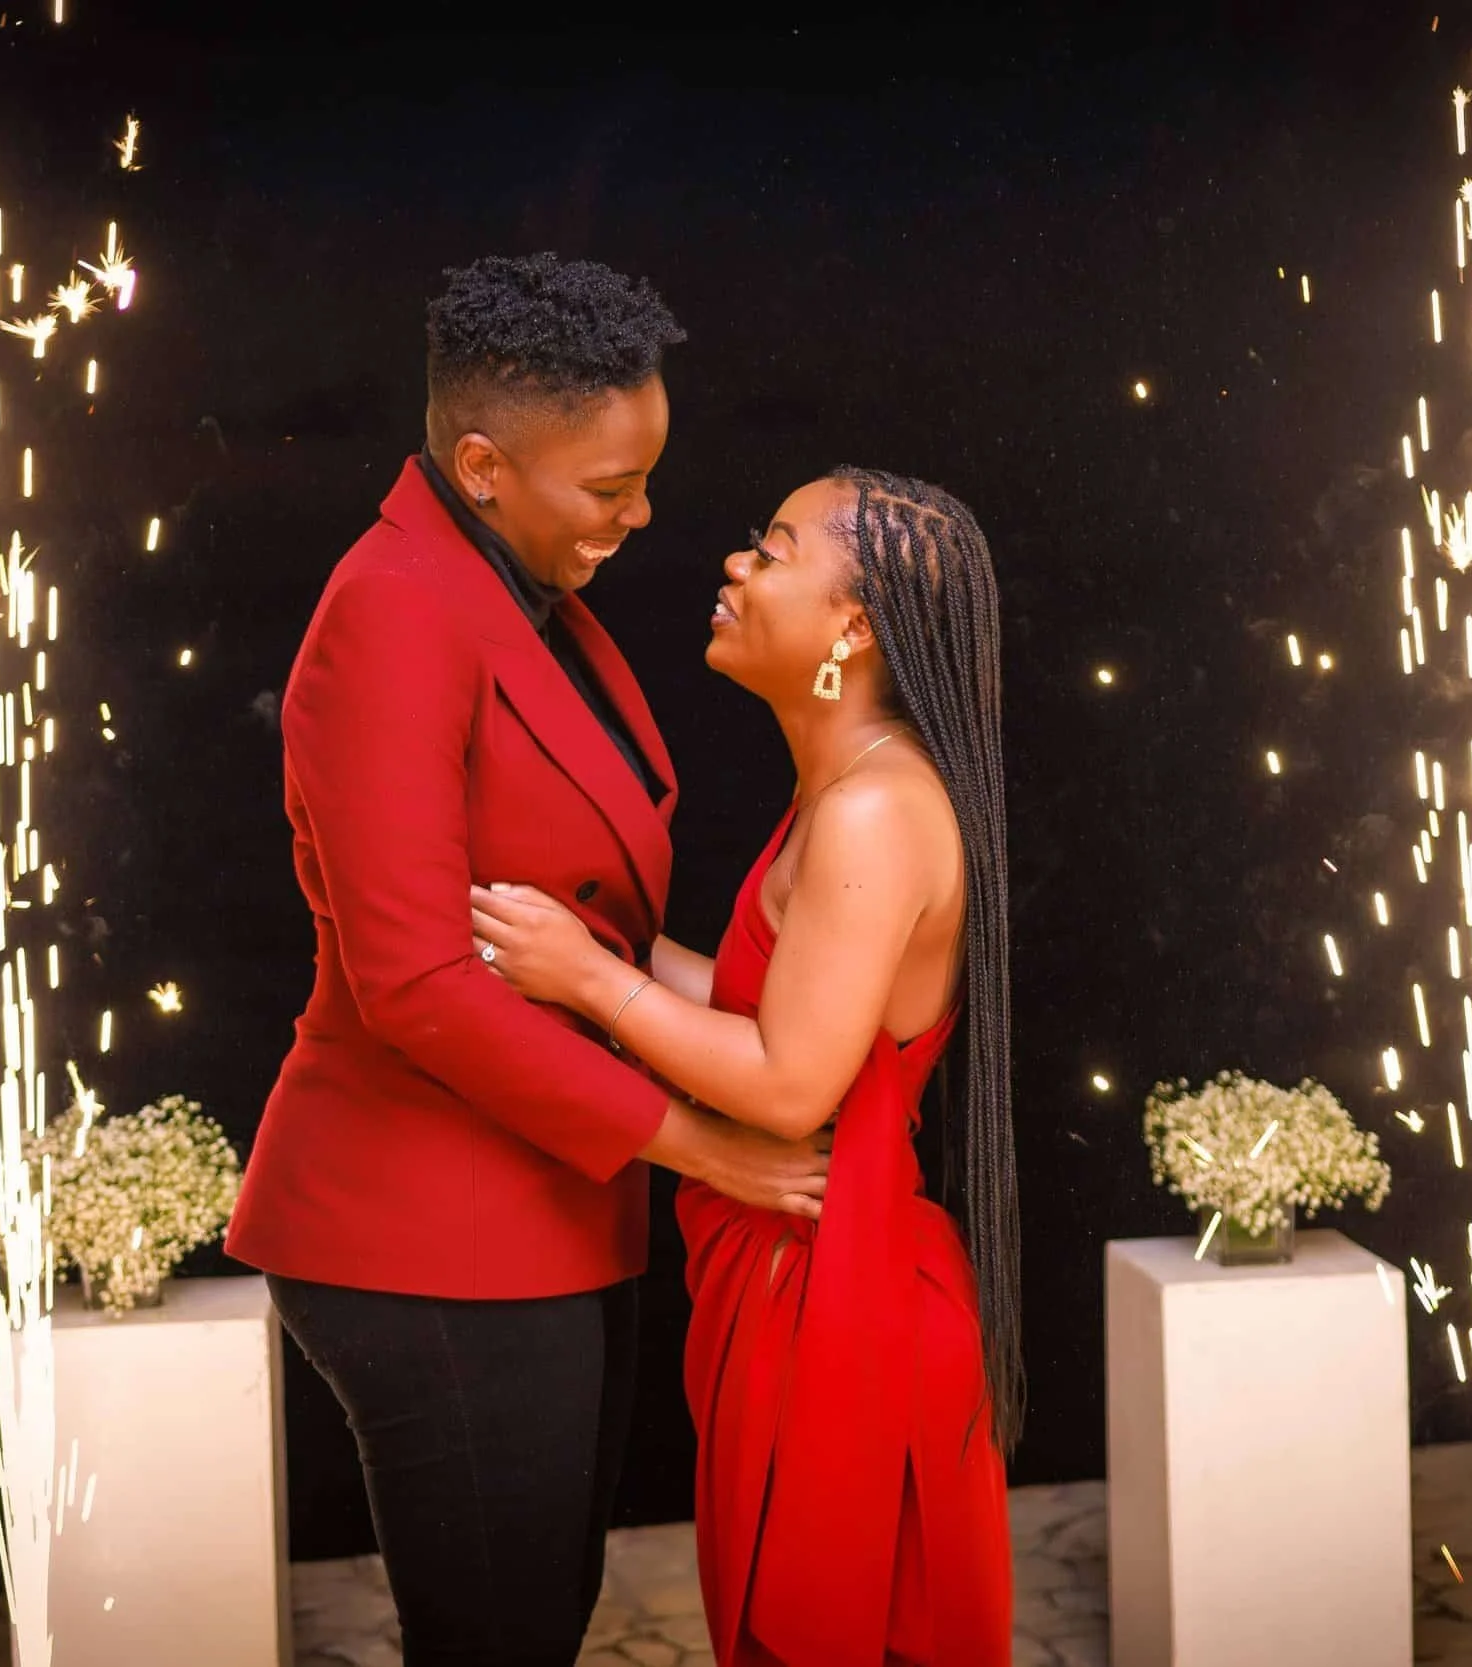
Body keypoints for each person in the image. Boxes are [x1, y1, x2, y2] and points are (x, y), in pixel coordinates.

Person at [225, 254, 832, 1667]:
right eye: (609, 489)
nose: (641, 515)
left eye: (644, 478)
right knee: (497, 1637)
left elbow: (592, 927)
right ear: (485, 463)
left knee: (533, 1624)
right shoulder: (395, 606)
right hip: (425, 1226)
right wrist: (706, 1144)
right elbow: (420, 984)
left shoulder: (502, 587)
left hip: (543, 1205)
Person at [471, 467, 1020, 1666]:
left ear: (854, 623)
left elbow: (786, 1083)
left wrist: (587, 977)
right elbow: (751, 999)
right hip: (802, 1281)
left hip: (844, 1303)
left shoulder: (875, 809)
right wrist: (587, 936)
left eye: (771, 550)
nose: (735, 566)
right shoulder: (842, 788)